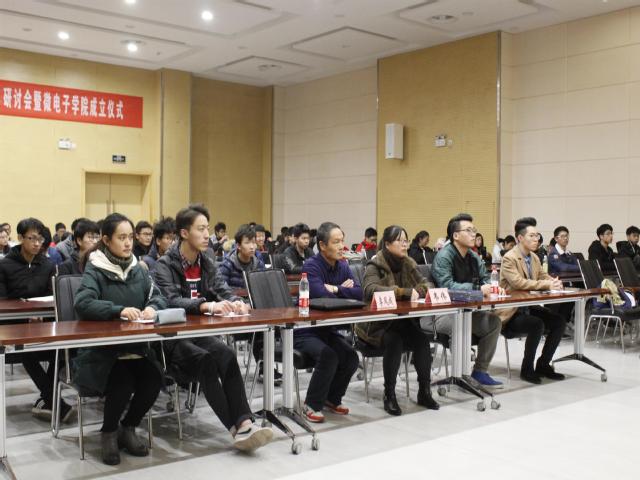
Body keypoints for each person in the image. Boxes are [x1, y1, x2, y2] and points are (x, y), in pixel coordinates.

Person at [154, 204, 273, 452]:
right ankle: (236, 430)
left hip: (198, 334)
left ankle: (244, 422)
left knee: (227, 355)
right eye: (200, 229)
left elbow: (222, 288)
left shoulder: (207, 261)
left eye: (207, 228)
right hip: (172, 339)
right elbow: (170, 300)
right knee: (205, 361)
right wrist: (206, 305)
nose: (206, 234)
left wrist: (236, 302)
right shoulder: (165, 264)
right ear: (184, 233)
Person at [74, 213, 165, 465]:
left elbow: (158, 296)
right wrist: (118, 310)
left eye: (130, 237)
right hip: (102, 352)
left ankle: (128, 427)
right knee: (123, 382)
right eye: (121, 237)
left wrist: (152, 308)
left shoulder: (138, 268)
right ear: (106, 240)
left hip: (135, 347)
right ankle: (108, 432)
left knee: (153, 378)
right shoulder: (96, 268)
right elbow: (83, 303)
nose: (128, 243)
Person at [355, 225, 439, 416]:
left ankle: (424, 391)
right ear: (387, 244)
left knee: (422, 341)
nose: (404, 244)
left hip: (401, 321)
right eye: (400, 240)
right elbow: (370, 290)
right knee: (395, 341)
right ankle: (389, 394)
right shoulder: (375, 264)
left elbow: (427, 284)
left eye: (406, 240)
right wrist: (403, 292)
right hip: (376, 325)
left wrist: (419, 290)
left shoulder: (408, 262)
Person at [0, 218, 74, 422]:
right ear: (20, 237)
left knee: (64, 349)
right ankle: (54, 401)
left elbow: (53, 297)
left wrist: (40, 314)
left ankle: (47, 400)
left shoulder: (48, 265)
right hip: (12, 325)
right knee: (26, 350)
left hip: (42, 322)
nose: (36, 243)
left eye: (40, 239)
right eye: (31, 238)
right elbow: (2, 301)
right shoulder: (4, 265)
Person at [423, 213, 503, 387]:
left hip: (465, 312)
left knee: (493, 322)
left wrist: (493, 287)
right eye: (469, 230)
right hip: (438, 314)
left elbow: (485, 278)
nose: (474, 234)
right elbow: (447, 287)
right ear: (456, 235)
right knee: (459, 325)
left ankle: (479, 372)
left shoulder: (473, 256)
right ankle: (461, 375)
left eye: (474, 230)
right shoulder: (444, 256)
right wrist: (478, 289)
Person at [295, 222, 360, 423]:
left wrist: (336, 288)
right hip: (304, 329)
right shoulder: (311, 266)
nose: (342, 246)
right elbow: (321, 295)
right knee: (329, 356)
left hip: (326, 329)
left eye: (342, 241)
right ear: (322, 245)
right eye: (336, 242)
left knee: (350, 356)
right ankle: (311, 404)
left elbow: (359, 292)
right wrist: (342, 290)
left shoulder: (343, 265)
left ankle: (331, 399)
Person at [498, 217, 567, 384]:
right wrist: (547, 284)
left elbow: (543, 276)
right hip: (512, 312)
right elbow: (518, 283)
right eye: (532, 236)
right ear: (520, 238)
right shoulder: (509, 258)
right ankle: (527, 369)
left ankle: (543, 365)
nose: (536, 239)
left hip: (528, 307)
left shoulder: (534, 257)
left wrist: (554, 282)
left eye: (537, 235)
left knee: (558, 321)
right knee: (537, 324)